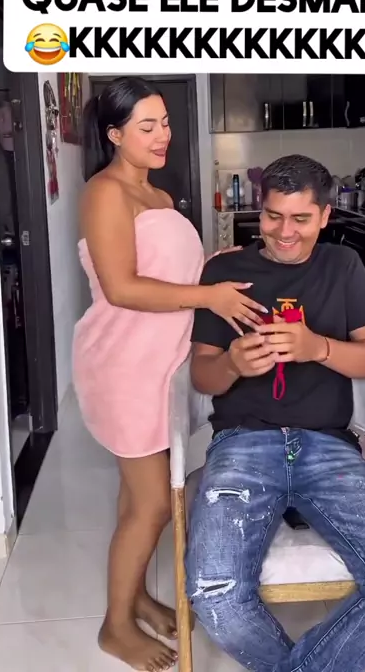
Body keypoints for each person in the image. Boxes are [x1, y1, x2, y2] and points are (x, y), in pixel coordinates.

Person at [186, 154, 365, 672]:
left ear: (325, 215)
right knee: (215, 596)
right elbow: (202, 376)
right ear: (260, 210)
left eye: (301, 218)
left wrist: (316, 347)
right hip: (242, 443)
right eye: (273, 216)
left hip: (329, 447)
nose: (285, 232)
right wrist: (232, 364)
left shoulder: (342, 267)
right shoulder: (224, 273)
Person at [72, 76, 266, 672]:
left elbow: (163, 269)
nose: (162, 136)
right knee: (153, 504)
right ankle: (115, 627)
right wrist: (207, 296)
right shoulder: (106, 192)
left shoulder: (154, 193)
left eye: (165, 123)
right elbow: (122, 287)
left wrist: (212, 269)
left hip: (159, 362)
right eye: (146, 126)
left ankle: (134, 598)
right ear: (114, 135)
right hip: (124, 364)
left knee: (137, 497)